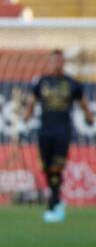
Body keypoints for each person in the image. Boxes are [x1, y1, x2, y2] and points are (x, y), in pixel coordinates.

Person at [24, 50, 94, 222]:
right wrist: (27, 114)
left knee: (57, 167)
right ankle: (56, 199)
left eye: (59, 61)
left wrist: (89, 117)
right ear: (49, 63)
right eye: (53, 61)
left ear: (63, 63)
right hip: (44, 130)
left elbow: (83, 102)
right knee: (46, 167)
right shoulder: (42, 82)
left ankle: (54, 203)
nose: (56, 64)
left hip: (62, 130)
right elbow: (32, 100)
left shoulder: (72, 84)